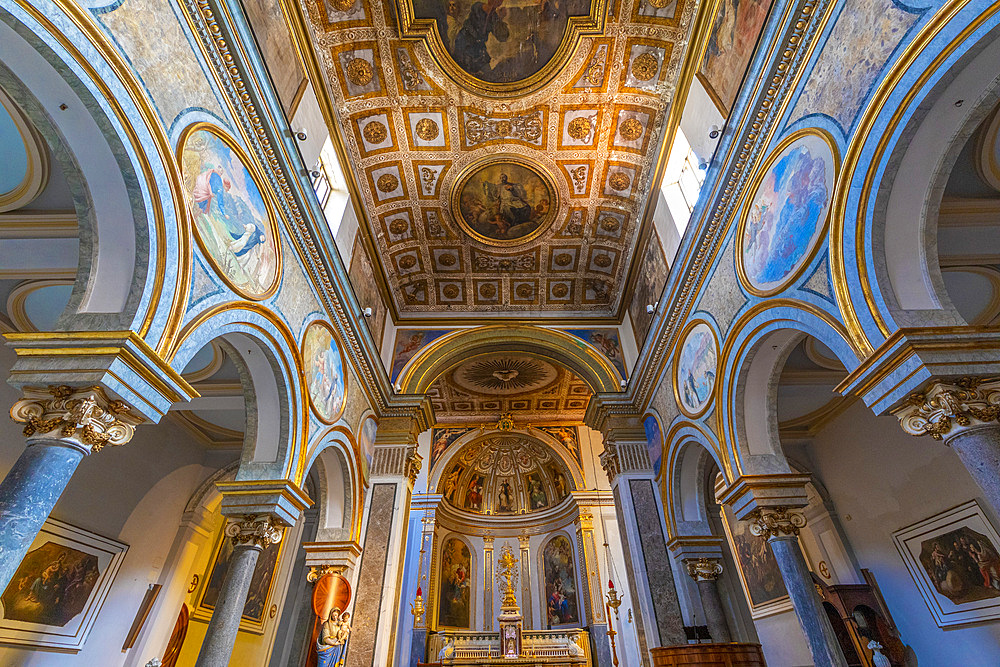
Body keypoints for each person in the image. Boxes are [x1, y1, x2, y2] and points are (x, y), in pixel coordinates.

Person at [453, 0, 509, 76]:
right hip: (464, 45)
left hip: (478, 50)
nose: (498, 2)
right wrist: (497, 18)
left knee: (488, 75)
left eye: (500, 1)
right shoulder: (478, 7)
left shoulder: (494, 17)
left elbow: (502, 37)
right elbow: (481, 23)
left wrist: (500, 20)